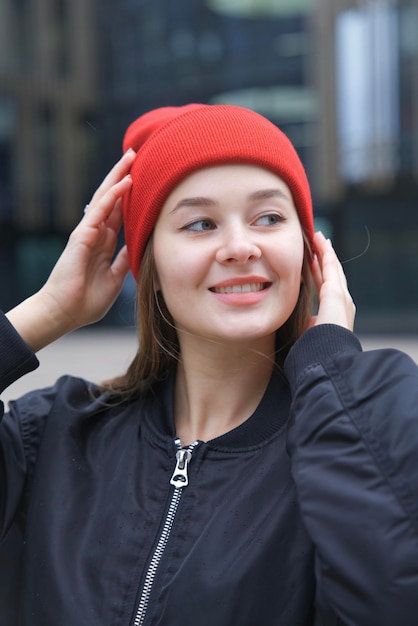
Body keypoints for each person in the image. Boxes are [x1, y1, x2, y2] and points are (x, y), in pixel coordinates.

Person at [1, 103, 418, 626]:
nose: (241, 247)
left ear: (309, 249)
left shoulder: (364, 430)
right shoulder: (50, 438)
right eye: (200, 223)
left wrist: (332, 371)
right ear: (147, 267)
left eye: (269, 217)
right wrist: (44, 314)